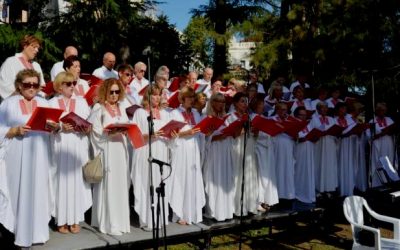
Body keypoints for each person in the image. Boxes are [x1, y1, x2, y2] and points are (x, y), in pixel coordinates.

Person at [0, 69, 60, 247]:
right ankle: (19, 233)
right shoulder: (8, 104)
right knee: (19, 192)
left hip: (40, 155)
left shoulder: (44, 102)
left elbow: (54, 127)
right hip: (17, 156)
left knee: (39, 190)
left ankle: (38, 233)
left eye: (35, 84)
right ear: (19, 85)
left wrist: (55, 127)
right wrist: (14, 130)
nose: (32, 88)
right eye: (27, 84)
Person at [49, 71, 92, 234]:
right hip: (60, 145)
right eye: (68, 84)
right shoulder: (52, 103)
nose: (72, 87)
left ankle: (74, 218)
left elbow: (89, 123)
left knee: (76, 181)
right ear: (60, 87)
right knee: (60, 181)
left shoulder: (81, 102)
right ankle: (61, 220)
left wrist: (86, 127)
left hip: (77, 144)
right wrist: (60, 126)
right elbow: (47, 124)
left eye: (74, 83)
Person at [88, 78, 130, 235]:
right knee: (110, 184)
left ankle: (121, 222)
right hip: (108, 149)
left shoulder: (122, 108)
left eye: (117, 91)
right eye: (111, 91)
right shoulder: (99, 108)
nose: (114, 95)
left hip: (121, 149)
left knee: (120, 183)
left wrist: (126, 130)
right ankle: (110, 223)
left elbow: (127, 126)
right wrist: (109, 133)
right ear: (105, 91)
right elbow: (95, 130)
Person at [131, 85, 170, 230]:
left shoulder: (164, 113)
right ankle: (147, 219)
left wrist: (172, 134)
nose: (157, 98)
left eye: (159, 95)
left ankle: (159, 219)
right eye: (154, 95)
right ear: (147, 96)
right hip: (145, 151)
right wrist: (150, 135)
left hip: (161, 150)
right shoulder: (140, 113)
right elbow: (134, 136)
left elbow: (168, 132)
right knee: (147, 182)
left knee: (159, 182)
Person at [168, 86, 205, 225]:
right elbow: (172, 134)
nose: (191, 100)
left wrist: (206, 130)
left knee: (193, 178)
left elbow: (200, 130)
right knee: (181, 178)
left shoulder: (196, 113)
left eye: (192, 97)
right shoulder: (175, 113)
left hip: (194, 147)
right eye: (188, 97)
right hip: (181, 148)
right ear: (182, 99)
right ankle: (180, 213)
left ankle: (192, 212)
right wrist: (186, 133)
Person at [202, 93, 235, 221]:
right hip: (213, 151)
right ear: (212, 102)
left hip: (225, 150)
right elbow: (203, 137)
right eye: (218, 101)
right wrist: (215, 137)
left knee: (225, 178)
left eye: (223, 102)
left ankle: (226, 211)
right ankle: (213, 211)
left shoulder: (227, 118)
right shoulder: (207, 117)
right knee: (213, 178)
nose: (221, 104)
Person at [227, 92, 259, 216]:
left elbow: (252, 134)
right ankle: (236, 207)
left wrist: (255, 131)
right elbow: (233, 134)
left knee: (249, 174)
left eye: (246, 101)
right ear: (235, 103)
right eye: (242, 101)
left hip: (249, 146)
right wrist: (245, 129)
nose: (245, 104)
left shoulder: (248, 116)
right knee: (237, 175)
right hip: (237, 147)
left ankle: (249, 204)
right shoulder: (231, 116)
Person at [249, 96, 279, 211]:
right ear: (255, 106)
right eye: (260, 105)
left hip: (267, 149)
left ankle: (266, 199)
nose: (262, 107)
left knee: (267, 176)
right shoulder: (253, 117)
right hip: (259, 149)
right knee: (260, 176)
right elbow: (255, 134)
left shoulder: (263, 117)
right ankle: (258, 200)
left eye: (263, 105)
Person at [0, 35, 45, 100]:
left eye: (38, 48)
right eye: (34, 47)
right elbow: (4, 87)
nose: (37, 50)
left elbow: (41, 86)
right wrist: (26, 89)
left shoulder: (36, 65)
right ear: (25, 46)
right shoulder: (11, 62)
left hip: (34, 102)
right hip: (15, 103)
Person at [311, 102, 338, 194]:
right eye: (322, 108)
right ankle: (318, 188)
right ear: (318, 109)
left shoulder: (331, 119)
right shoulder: (314, 118)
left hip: (330, 144)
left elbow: (335, 130)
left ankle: (329, 188)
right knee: (319, 165)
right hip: (320, 144)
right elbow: (313, 130)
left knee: (330, 165)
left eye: (326, 108)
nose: (325, 109)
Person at [366, 102, 396, 187]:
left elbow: (393, 130)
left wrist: (390, 131)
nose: (383, 112)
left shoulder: (389, 120)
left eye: (384, 110)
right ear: (377, 111)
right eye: (381, 110)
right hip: (378, 145)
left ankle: (390, 182)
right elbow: (369, 135)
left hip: (389, 142)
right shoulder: (372, 121)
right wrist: (381, 133)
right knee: (379, 162)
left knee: (389, 161)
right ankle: (377, 184)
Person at [271, 103, 296, 201]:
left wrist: (295, 135)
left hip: (288, 147)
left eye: (285, 109)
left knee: (288, 171)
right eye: (281, 109)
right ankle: (277, 196)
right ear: (277, 110)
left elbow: (295, 133)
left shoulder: (290, 120)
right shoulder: (272, 119)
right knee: (278, 170)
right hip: (277, 147)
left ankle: (288, 195)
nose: (283, 112)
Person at [294, 106, 316, 204]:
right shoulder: (294, 123)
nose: (303, 117)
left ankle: (308, 193)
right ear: (296, 115)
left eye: (305, 115)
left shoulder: (309, 124)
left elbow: (312, 134)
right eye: (301, 115)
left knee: (308, 171)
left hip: (309, 150)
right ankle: (298, 193)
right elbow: (294, 136)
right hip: (299, 150)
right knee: (299, 171)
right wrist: (300, 138)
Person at [334, 102, 356, 196]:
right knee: (340, 166)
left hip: (349, 145)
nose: (344, 111)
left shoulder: (350, 119)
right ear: (338, 110)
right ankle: (340, 188)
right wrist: (343, 134)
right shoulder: (334, 120)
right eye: (342, 108)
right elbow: (333, 133)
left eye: (345, 109)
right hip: (340, 146)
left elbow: (355, 128)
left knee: (349, 166)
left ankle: (350, 187)